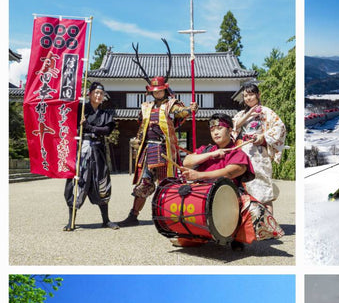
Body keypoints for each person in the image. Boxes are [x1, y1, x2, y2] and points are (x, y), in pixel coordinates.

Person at [173, 113, 283, 250]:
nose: (215, 132)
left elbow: (231, 171)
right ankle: (196, 235)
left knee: (252, 207)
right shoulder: (206, 150)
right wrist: (211, 154)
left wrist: (199, 175)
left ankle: (235, 235)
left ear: (230, 131)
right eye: (212, 130)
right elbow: (187, 161)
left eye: (219, 128)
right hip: (202, 194)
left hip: (229, 197)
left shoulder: (238, 153)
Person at [119, 76, 197, 227]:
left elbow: (181, 112)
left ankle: (168, 217)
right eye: (155, 91)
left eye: (160, 90)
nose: (158, 93)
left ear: (165, 90)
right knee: (145, 183)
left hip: (164, 150)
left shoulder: (171, 104)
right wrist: (138, 141)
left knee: (166, 183)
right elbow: (142, 127)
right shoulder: (146, 106)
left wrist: (190, 109)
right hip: (148, 150)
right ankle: (133, 215)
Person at [64, 82, 117, 230]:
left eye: (101, 93)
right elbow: (67, 123)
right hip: (82, 150)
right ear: (90, 94)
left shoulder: (106, 114)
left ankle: (106, 220)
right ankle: (71, 221)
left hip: (98, 151)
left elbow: (106, 130)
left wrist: (90, 127)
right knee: (77, 182)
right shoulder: (80, 110)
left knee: (102, 181)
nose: (99, 95)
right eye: (96, 92)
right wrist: (81, 125)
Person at [232, 82, 286, 213]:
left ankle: (269, 223)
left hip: (259, 154)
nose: (248, 98)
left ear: (258, 95)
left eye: (251, 94)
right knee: (244, 188)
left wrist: (263, 136)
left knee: (263, 187)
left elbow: (280, 127)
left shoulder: (267, 112)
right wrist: (248, 114)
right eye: (245, 96)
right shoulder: (240, 114)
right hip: (243, 153)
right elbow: (234, 127)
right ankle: (251, 224)